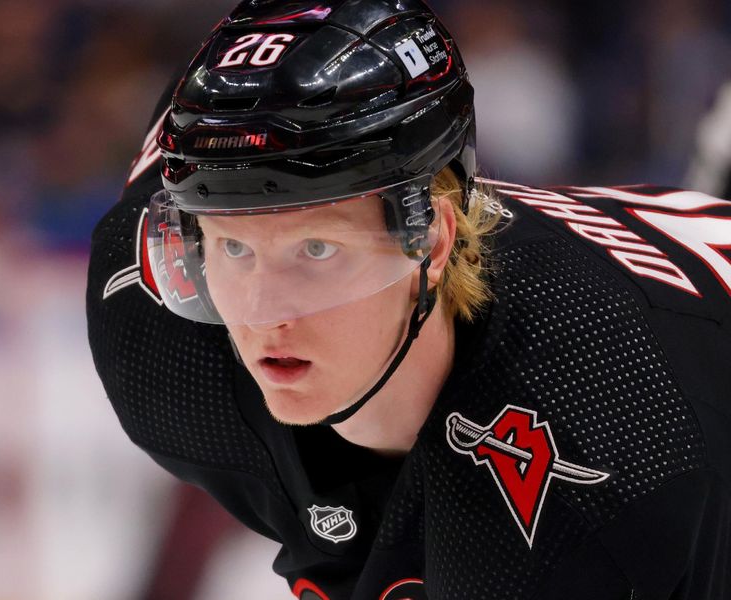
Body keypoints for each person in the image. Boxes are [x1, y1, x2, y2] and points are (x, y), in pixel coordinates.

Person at [87, 1, 731, 598]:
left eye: (316, 251)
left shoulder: (600, 461)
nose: (262, 313)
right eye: (232, 249)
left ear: (435, 238)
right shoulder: (154, 339)